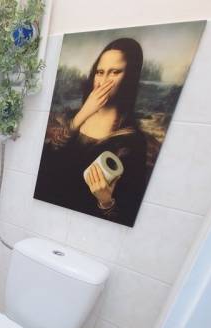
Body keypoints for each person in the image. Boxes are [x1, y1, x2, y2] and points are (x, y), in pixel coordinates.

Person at [34, 38, 147, 227]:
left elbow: (126, 215)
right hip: (46, 218)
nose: (103, 81)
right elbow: (48, 156)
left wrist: (106, 201)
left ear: (130, 76)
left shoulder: (131, 141)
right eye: (100, 72)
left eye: (115, 72)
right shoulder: (73, 117)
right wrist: (84, 113)